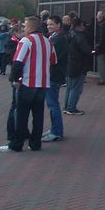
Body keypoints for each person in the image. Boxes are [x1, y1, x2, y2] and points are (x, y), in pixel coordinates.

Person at [0, 16, 56, 152]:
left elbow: (18, 62)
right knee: (38, 115)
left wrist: (14, 80)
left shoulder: (26, 41)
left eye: (25, 26)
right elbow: (53, 61)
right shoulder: (48, 41)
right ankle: (35, 143)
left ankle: (16, 144)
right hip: (42, 83)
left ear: (31, 27)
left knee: (22, 115)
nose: (24, 28)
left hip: (27, 82)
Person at [42, 15, 67, 143]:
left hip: (54, 74)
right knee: (51, 103)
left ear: (58, 25)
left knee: (53, 104)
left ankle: (56, 131)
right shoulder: (54, 37)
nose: (49, 27)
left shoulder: (60, 38)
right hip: (52, 74)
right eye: (47, 24)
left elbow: (53, 57)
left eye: (51, 24)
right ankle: (54, 129)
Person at [64, 18, 91, 115]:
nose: (84, 27)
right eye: (83, 25)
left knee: (69, 87)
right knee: (76, 88)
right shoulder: (79, 37)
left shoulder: (68, 34)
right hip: (78, 64)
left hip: (69, 63)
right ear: (79, 26)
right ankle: (71, 108)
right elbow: (87, 50)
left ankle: (67, 107)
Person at [93, 10, 105, 85]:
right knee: (103, 62)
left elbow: (101, 38)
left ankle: (103, 79)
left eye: (98, 16)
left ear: (100, 17)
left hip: (101, 48)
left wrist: (97, 46)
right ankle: (104, 78)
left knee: (101, 63)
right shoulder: (104, 24)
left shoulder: (102, 25)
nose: (97, 17)